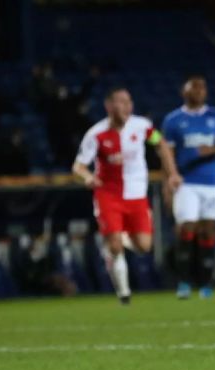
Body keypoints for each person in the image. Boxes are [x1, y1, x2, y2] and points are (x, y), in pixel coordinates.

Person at [72, 87, 182, 304]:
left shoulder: (143, 127)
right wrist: (87, 177)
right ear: (109, 106)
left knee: (144, 246)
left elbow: (160, 143)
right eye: (121, 101)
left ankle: (117, 239)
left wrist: (172, 173)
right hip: (108, 195)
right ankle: (124, 294)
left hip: (137, 195)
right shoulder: (96, 134)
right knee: (115, 246)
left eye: (128, 101)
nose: (126, 106)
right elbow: (78, 166)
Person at [161, 76, 215, 300]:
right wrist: (169, 179)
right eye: (195, 88)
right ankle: (183, 282)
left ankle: (205, 282)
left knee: (208, 230)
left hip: (211, 182)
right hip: (186, 182)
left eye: (203, 88)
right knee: (187, 228)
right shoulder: (173, 120)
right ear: (184, 92)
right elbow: (167, 152)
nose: (200, 92)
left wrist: (208, 150)